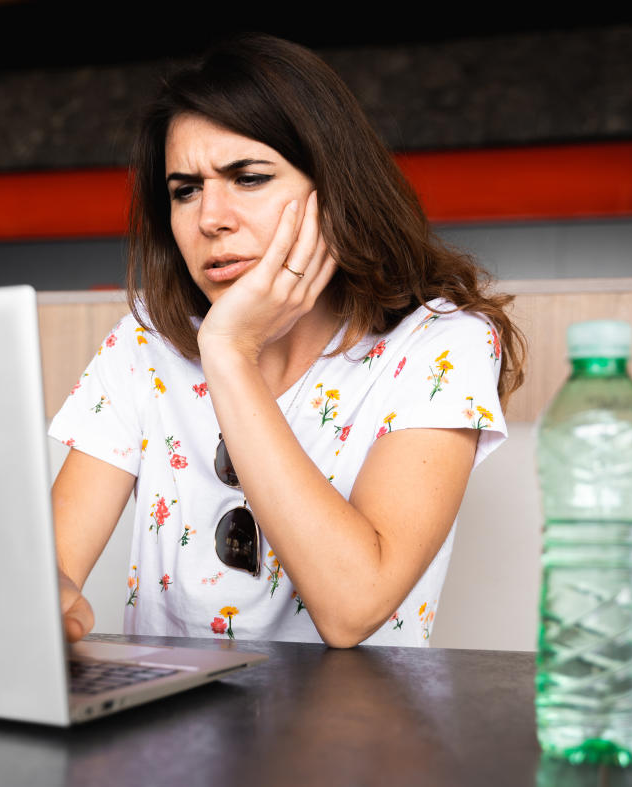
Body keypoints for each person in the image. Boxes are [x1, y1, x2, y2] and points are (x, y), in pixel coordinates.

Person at [49, 34, 524, 648]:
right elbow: (51, 563)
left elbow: (353, 608)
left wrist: (229, 354)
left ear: (336, 188)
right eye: (184, 189)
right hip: (165, 734)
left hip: (350, 734)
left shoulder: (442, 344)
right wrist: (46, 592)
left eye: (247, 177)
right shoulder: (147, 341)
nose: (210, 218)